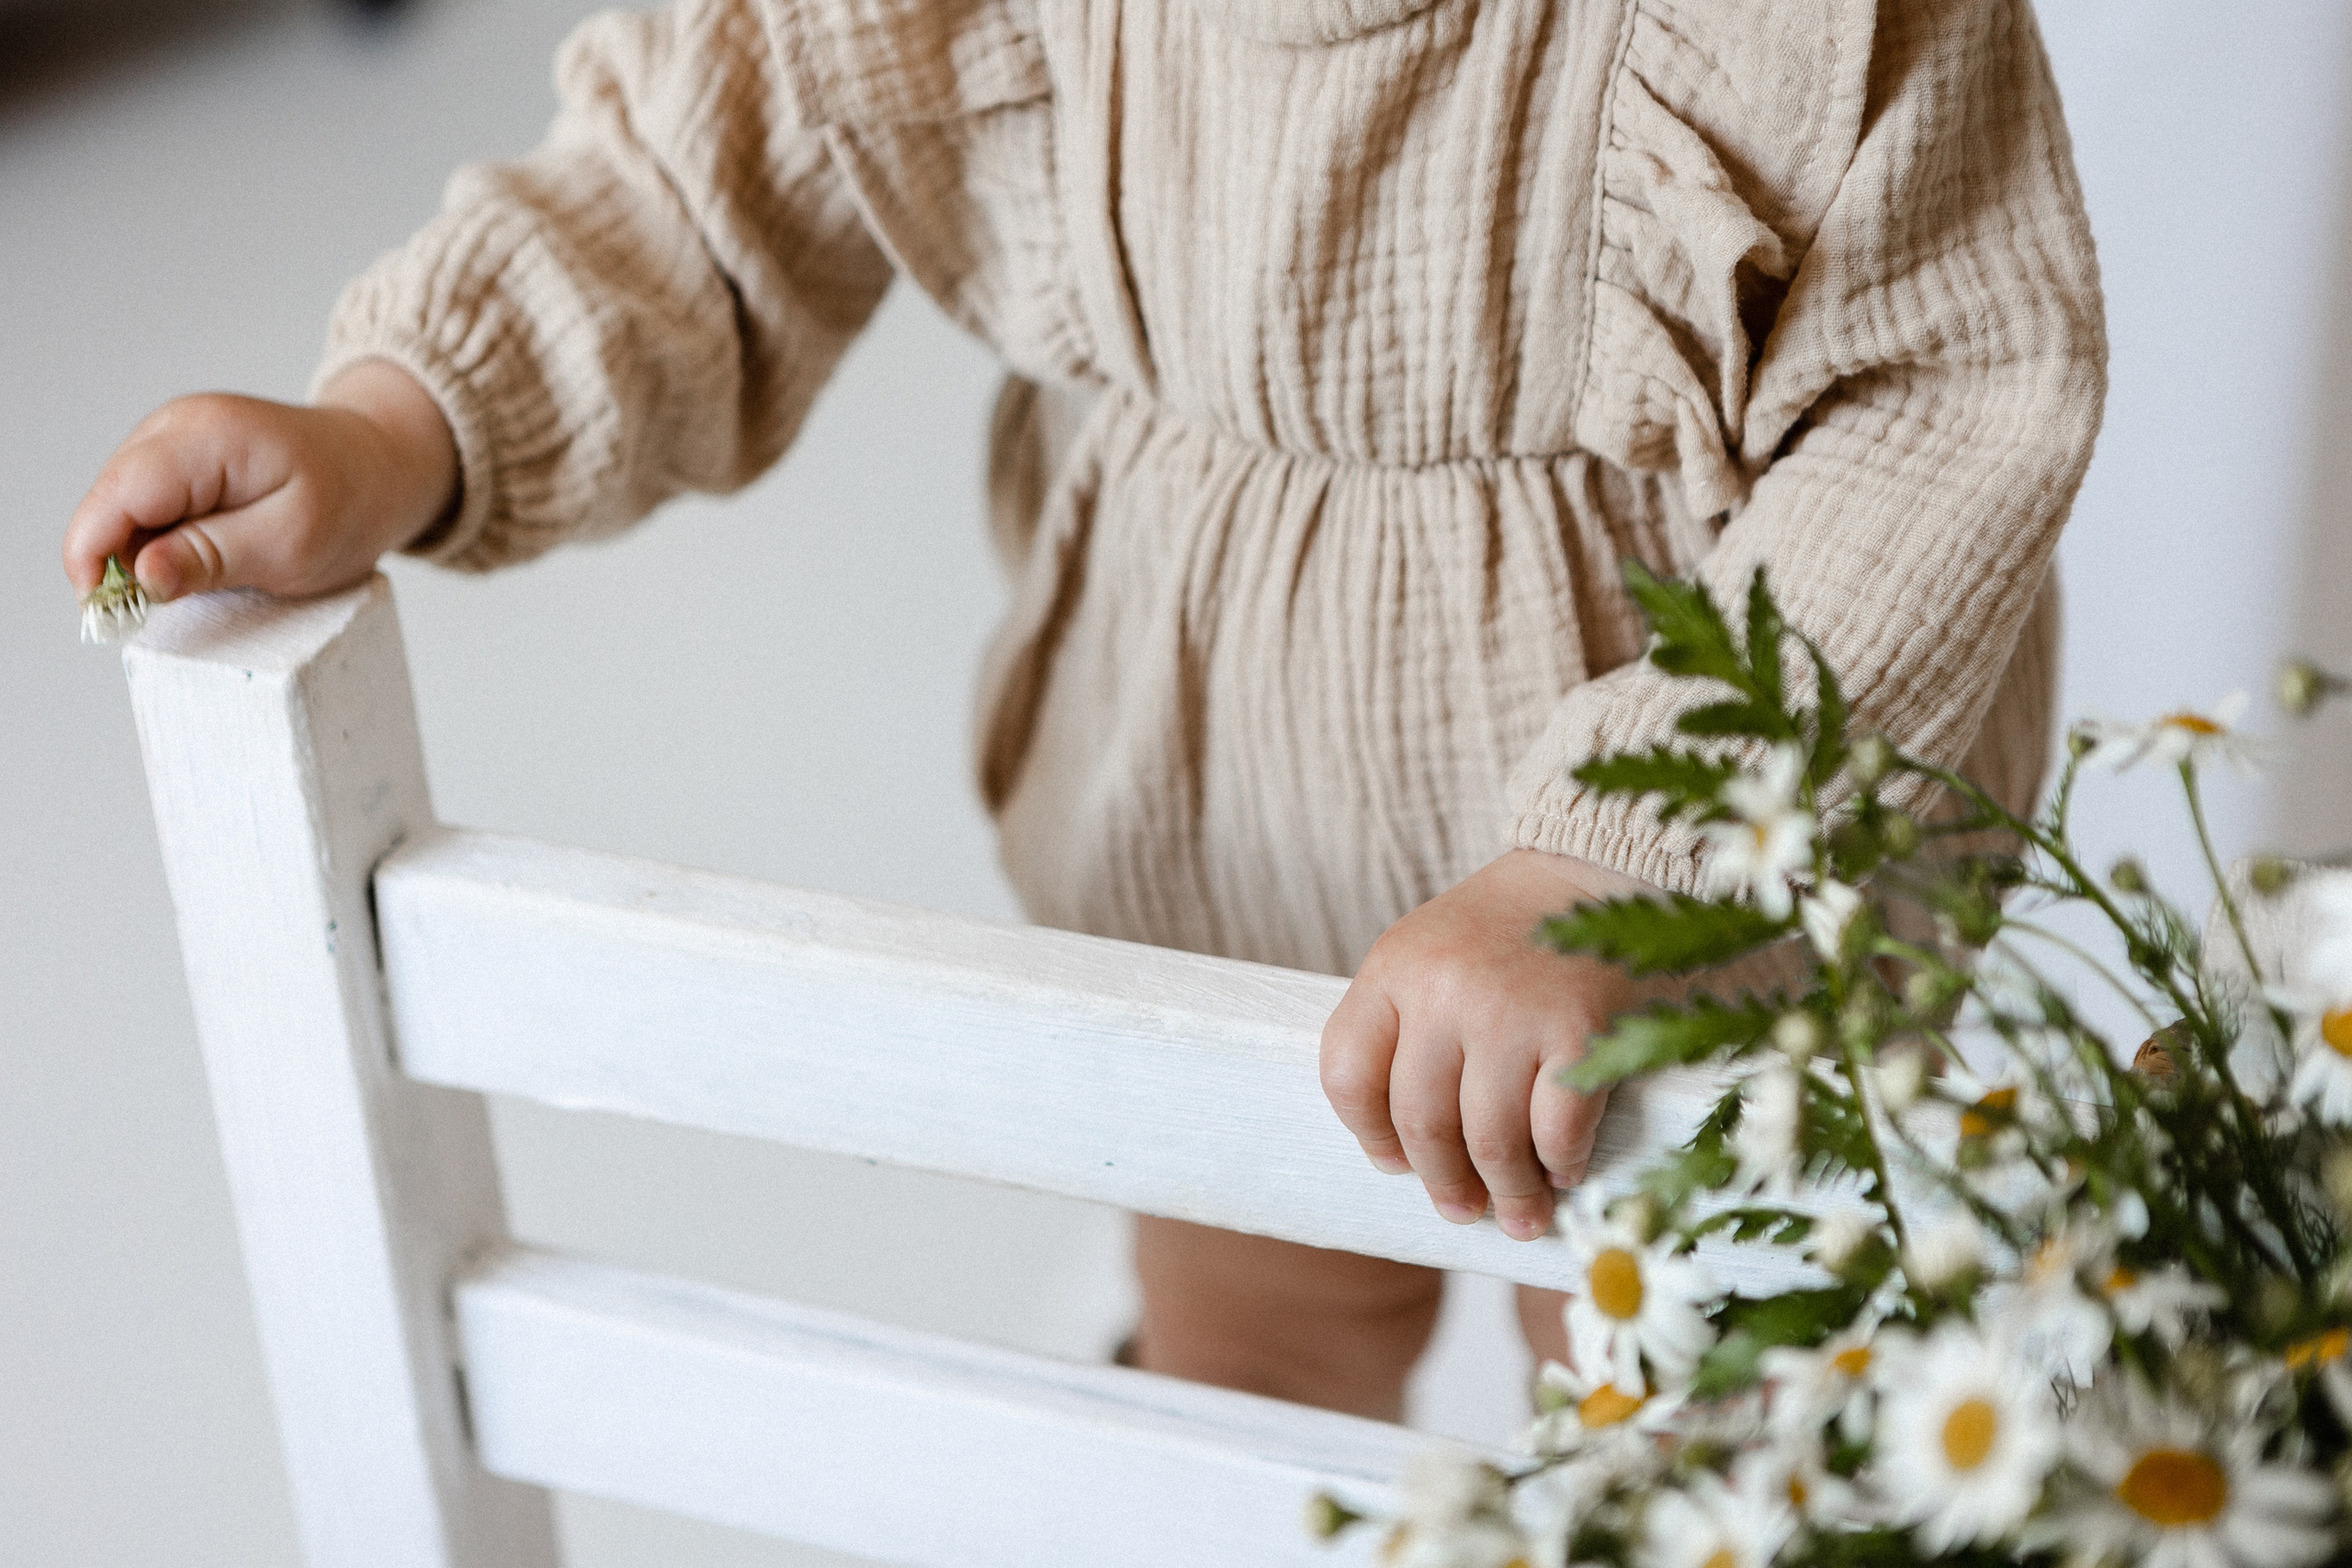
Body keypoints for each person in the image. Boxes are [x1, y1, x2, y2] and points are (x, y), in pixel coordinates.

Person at [62, 0, 2104, 1423]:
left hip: (1700, 893)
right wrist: (394, 422)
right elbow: (698, 188)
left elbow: (1940, 401)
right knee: (1255, 1350)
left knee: (1700, 1409)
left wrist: (1619, 848)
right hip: (1218, 836)